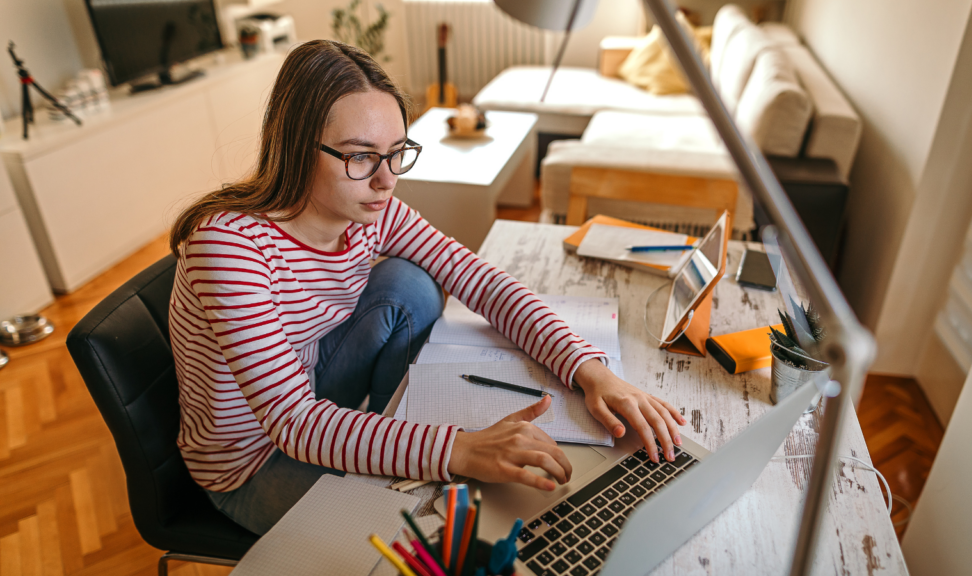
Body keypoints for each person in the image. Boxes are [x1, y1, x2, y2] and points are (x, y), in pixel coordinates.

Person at [168, 40, 686, 535]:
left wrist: (589, 370)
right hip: (255, 458)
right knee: (431, 525)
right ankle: (407, 445)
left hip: (310, 385)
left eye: (397, 152)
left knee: (410, 282)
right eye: (361, 156)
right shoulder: (229, 246)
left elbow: (480, 280)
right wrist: (459, 449)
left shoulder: (369, 208)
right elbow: (296, 424)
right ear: (297, 146)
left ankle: (400, 428)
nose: (386, 179)